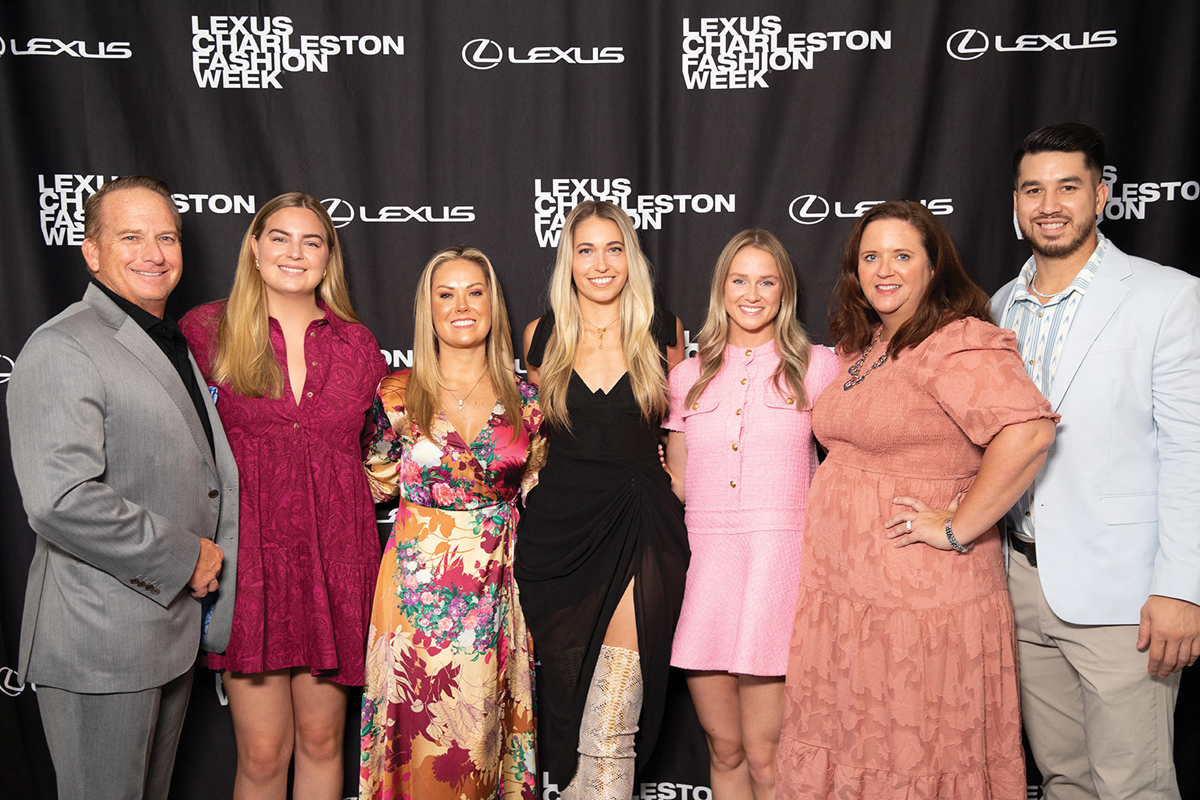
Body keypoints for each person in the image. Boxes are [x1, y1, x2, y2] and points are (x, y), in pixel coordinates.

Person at [776, 200, 1058, 799]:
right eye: (871, 256)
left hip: (918, 601)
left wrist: (959, 525)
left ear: (934, 267)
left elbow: (1029, 432)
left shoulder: (956, 340)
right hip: (849, 597)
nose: (884, 269)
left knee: (913, 750)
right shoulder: (871, 343)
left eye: (903, 255)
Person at [7, 175, 239, 800]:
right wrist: (187, 555)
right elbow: (60, 498)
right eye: (131, 237)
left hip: (166, 634)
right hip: (98, 643)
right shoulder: (63, 345)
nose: (153, 253)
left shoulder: (168, 342)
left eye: (166, 236)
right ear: (92, 251)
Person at [993, 123, 1200, 799]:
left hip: (1126, 595)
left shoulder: (1165, 296)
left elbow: (1188, 450)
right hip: (1020, 584)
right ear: (1017, 203)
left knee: (1133, 785)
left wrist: (1182, 588)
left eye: (1068, 186)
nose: (1049, 203)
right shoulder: (998, 308)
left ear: (1102, 196)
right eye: (1033, 189)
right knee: (1064, 781)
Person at [180, 192, 387, 800]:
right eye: (279, 237)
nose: (294, 253)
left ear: (329, 258)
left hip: (336, 559)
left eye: (311, 241)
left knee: (324, 744)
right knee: (264, 753)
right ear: (254, 245)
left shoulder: (357, 344)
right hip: (252, 567)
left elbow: (381, 455)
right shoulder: (205, 330)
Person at [515, 200, 689, 799]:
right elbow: (531, 440)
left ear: (631, 256)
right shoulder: (541, 337)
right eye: (586, 250)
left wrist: (681, 484)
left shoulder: (664, 331)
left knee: (614, 718)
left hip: (643, 523)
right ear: (569, 260)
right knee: (566, 717)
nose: (601, 263)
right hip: (559, 538)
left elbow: (682, 433)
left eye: (614, 248)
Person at [359, 247, 542, 799]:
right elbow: (371, 483)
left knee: (482, 751)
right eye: (446, 293)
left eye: (475, 292)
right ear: (428, 308)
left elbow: (552, 493)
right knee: (414, 746)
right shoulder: (393, 395)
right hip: (414, 600)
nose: (462, 305)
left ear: (493, 304)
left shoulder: (529, 400)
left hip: (495, 589)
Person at [662, 229, 838, 800]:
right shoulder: (686, 377)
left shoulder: (819, 366)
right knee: (726, 749)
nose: (752, 293)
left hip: (779, 573)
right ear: (721, 289)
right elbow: (679, 485)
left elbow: (860, 458)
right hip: (708, 574)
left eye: (767, 280)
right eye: (740, 280)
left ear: (785, 290)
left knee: (769, 756)